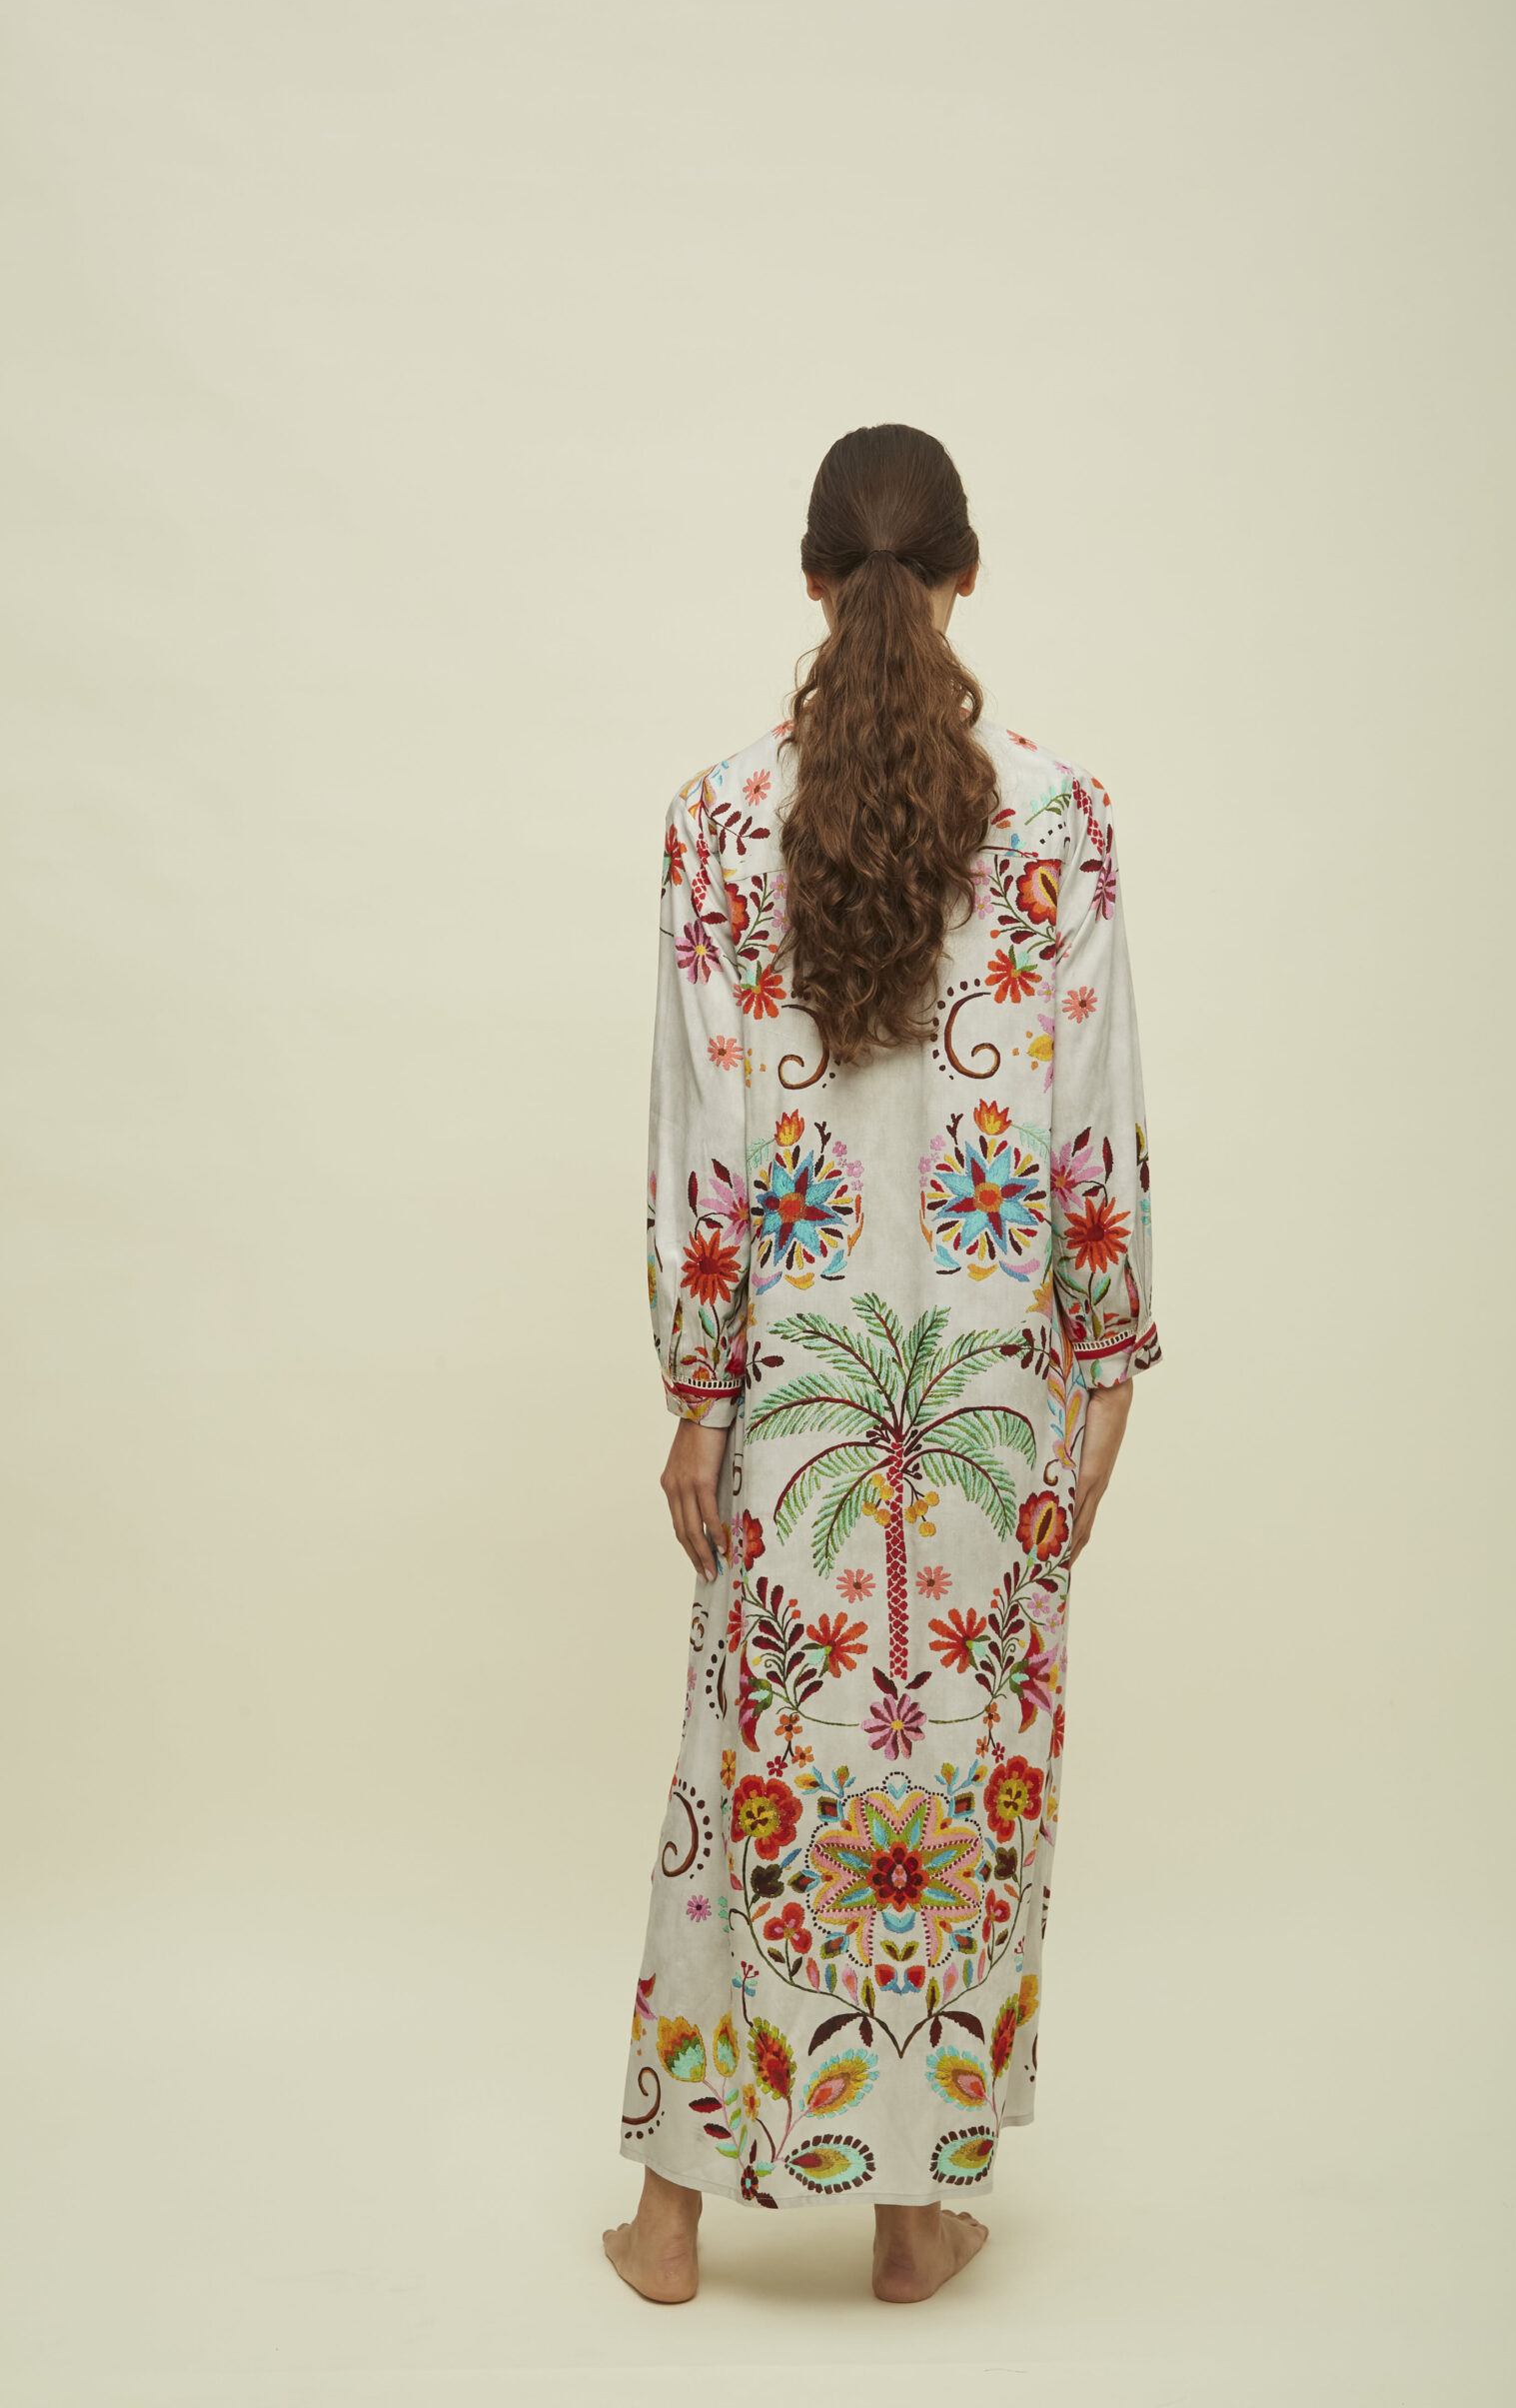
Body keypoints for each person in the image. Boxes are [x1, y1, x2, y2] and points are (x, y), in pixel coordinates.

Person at [606, 422, 1161, 2306]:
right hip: (995, 1395)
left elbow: (703, 1136)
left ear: (812, 578)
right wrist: (1107, 1371)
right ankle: (916, 2220)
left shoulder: (712, 821)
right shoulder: (1064, 818)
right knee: (964, 1791)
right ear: (967, 577)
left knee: (743, 1772)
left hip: (797, 1395)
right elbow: (1090, 1112)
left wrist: (699, 1393)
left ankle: (671, 2222)